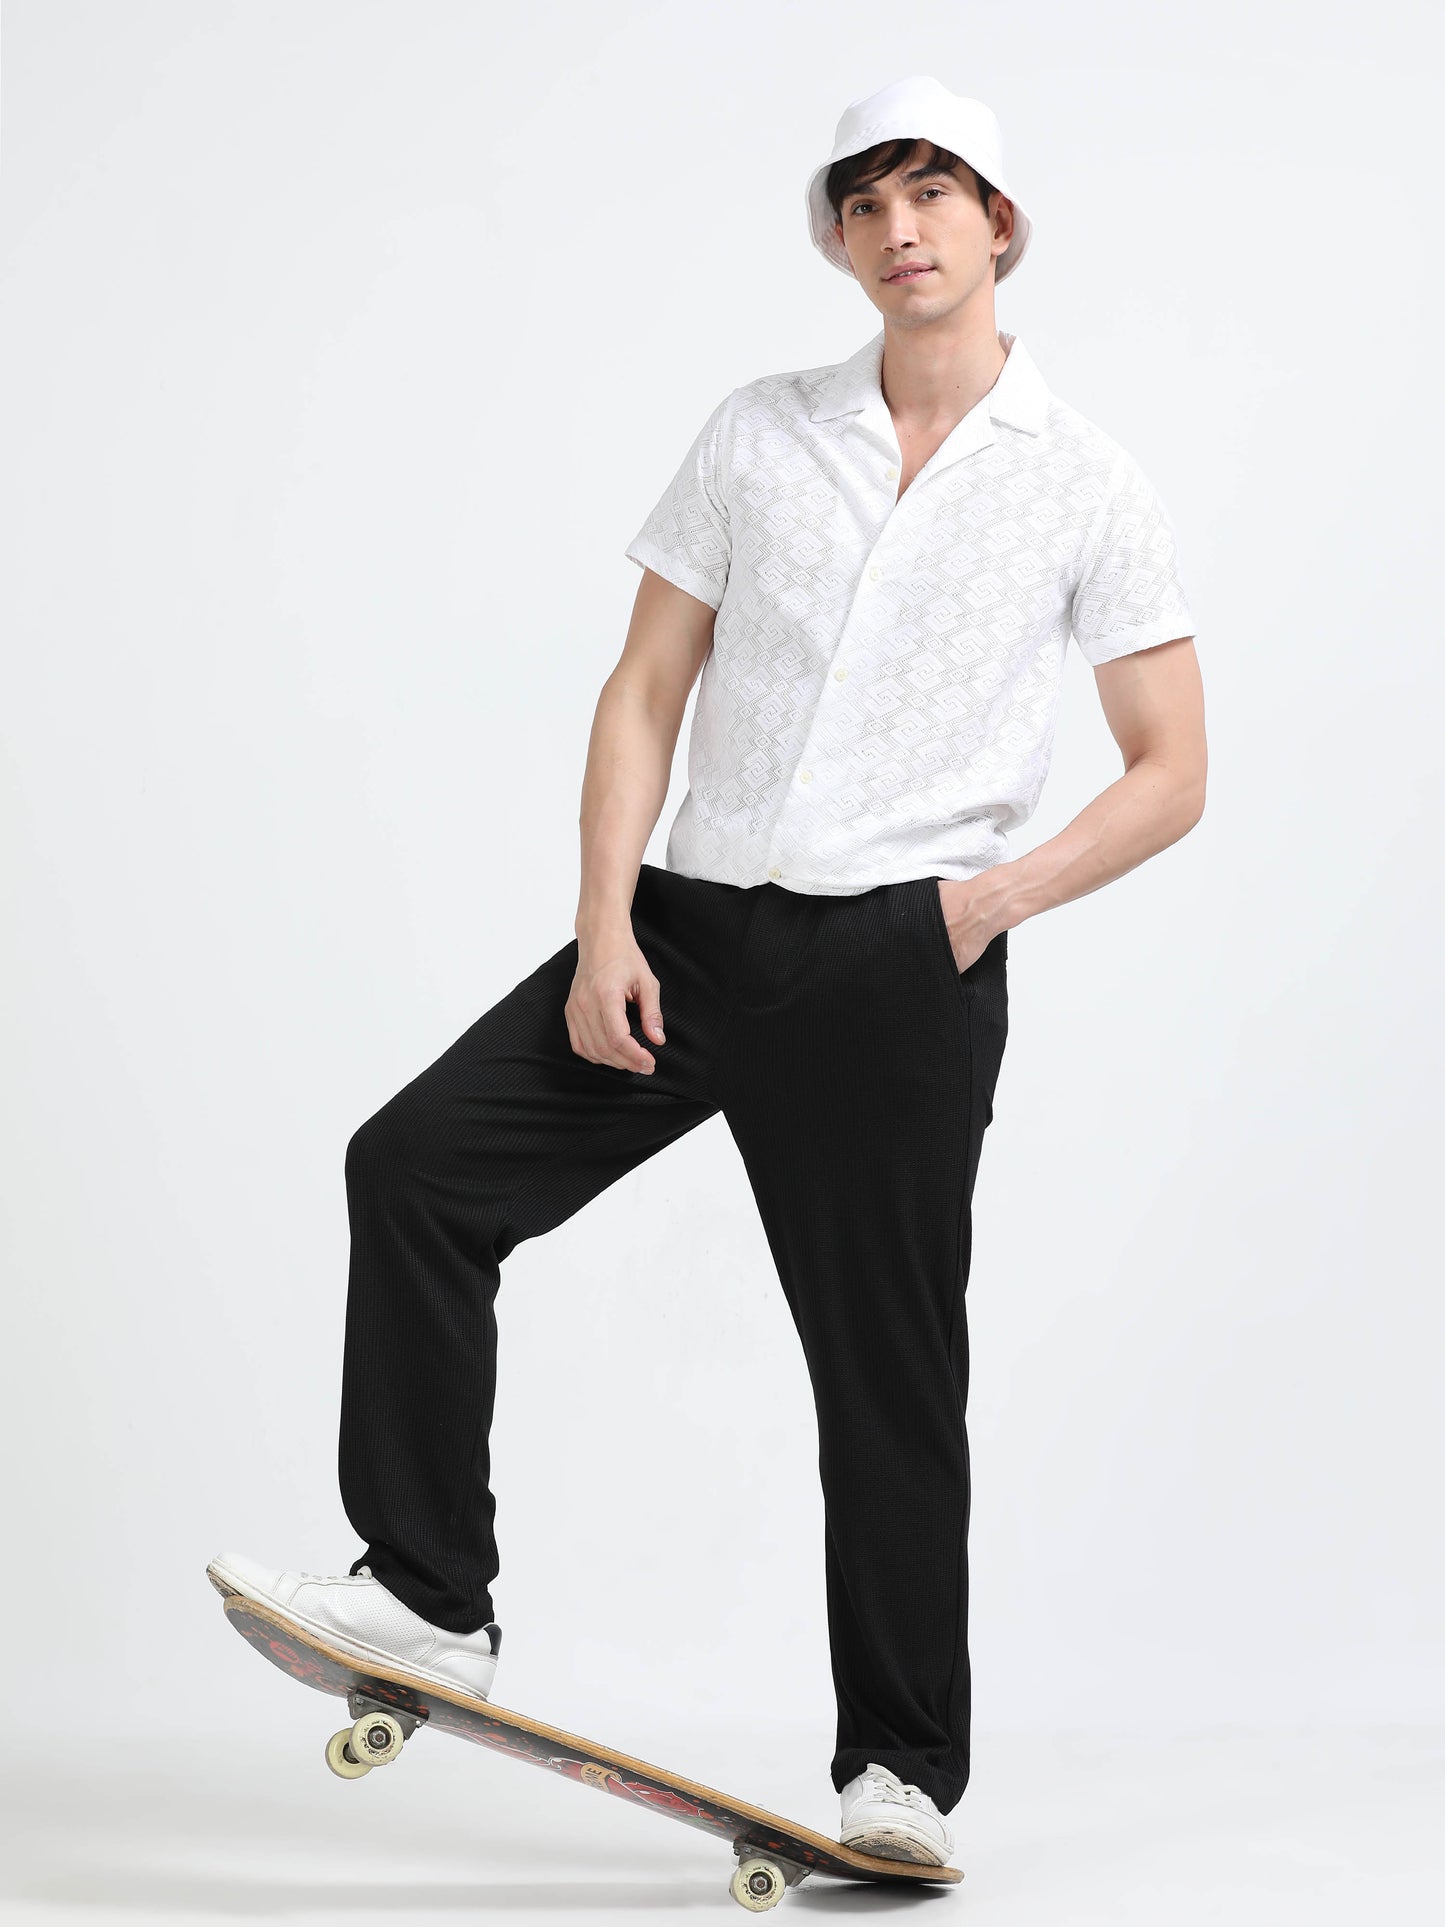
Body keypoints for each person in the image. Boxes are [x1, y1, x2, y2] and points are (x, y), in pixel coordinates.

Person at [209, 73, 1206, 1867]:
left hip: (898, 964)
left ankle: (897, 1776)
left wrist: (974, 909)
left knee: (884, 1375)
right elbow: (644, 689)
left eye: (933, 192)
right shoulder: (758, 434)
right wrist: (605, 924)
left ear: (998, 224)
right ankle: (426, 1592)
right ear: (837, 240)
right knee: (416, 1171)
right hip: (689, 934)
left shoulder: (1087, 483)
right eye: (863, 201)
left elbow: (1170, 772)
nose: (897, 228)